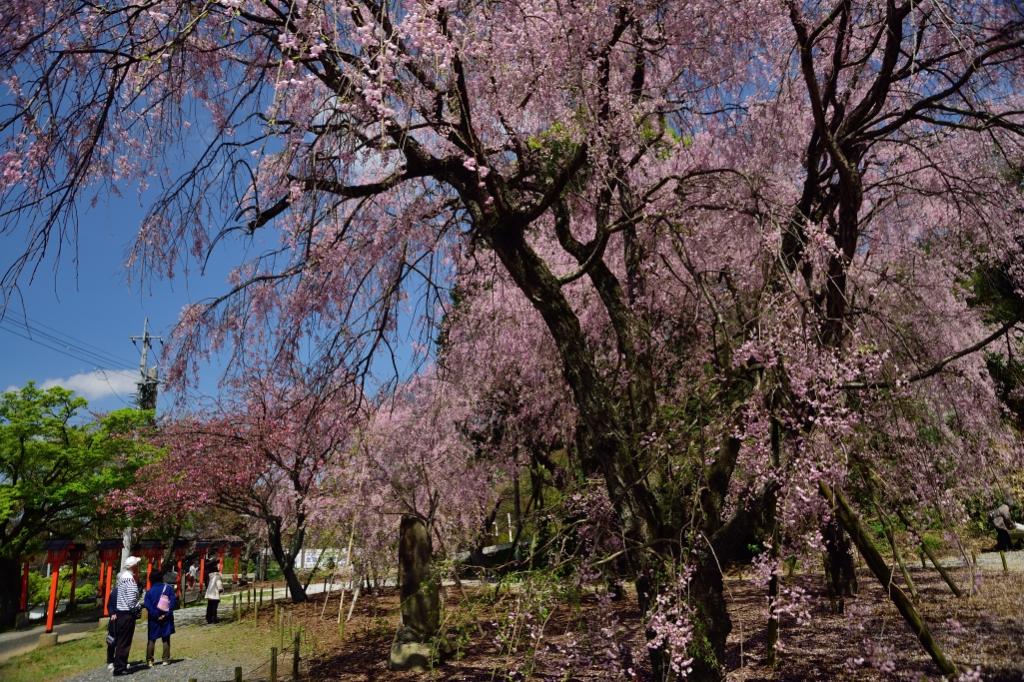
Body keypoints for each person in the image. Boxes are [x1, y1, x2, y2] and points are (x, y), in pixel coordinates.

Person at [112, 556, 142, 676]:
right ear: (133, 566)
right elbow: (131, 601)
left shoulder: (122, 578)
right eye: (137, 564)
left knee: (121, 641)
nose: (138, 566)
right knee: (125, 641)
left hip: (121, 612)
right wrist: (138, 606)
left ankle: (119, 664)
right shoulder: (129, 580)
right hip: (127, 614)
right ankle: (120, 667)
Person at [143, 570, 178, 666]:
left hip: (154, 619)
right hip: (166, 618)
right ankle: (165, 659)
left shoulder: (149, 592)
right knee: (166, 637)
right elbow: (172, 603)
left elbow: (147, 605)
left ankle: (149, 660)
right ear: (161, 578)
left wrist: (156, 615)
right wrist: (165, 615)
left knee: (151, 638)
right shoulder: (168, 589)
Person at [105, 584, 118, 672]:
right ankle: (110, 660)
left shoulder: (114, 592)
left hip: (118, 619)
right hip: (114, 620)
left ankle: (117, 660)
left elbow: (109, 605)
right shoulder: (114, 592)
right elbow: (109, 605)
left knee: (120, 641)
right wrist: (112, 613)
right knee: (112, 641)